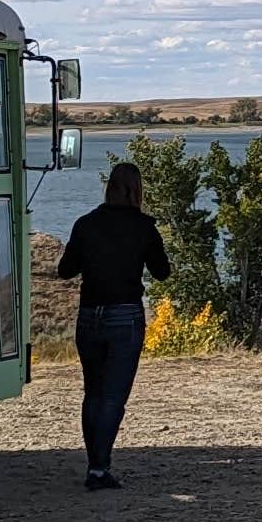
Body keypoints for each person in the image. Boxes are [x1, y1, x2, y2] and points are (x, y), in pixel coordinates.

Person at [53, 163, 175, 488]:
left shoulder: (85, 224)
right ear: (137, 191)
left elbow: (65, 270)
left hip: (89, 315)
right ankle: (98, 469)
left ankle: (95, 464)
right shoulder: (143, 228)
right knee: (113, 397)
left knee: (92, 393)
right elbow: (162, 272)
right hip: (126, 316)